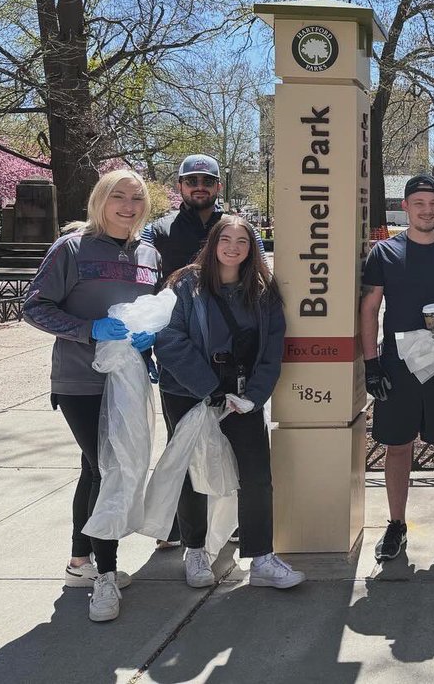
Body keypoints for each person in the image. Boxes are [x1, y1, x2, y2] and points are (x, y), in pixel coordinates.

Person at [22, 169, 161, 622]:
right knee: (110, 468)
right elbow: (34, 306)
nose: (127, 205)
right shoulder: (72, 248)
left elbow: (151, 309)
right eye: (117, 196)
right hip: (81, 382)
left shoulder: (149, 254)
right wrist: (87, 330)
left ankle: (79, 563)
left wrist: (149, 339)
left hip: (129, 380)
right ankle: (106, 574)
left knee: (95, 467)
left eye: (136, 198)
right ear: (100, 202)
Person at [155, 215, 304, 589]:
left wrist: (254, 397)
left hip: (240, 396)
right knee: (191, 473)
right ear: (213, 243)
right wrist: (208, 387)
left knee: (256, 475)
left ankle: (261, 557)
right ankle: (194, 550)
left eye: (243, 241)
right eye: (226, 239)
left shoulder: (263, 292)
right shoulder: (185, 285)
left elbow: (272, 351)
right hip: (188, 392)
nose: (233, 247)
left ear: (253, 248)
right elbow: (169, 339)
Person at [142, 153, 264, 549]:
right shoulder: (155, 233)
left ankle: (235, 523)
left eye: (206, 181)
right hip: (182, 356)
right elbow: (142, 284)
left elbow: (259, 275)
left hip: (232, 356)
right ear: (178, 186)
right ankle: (182, 529)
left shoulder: (238, 228)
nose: (199, 187)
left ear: (218, 187)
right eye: (190, 180)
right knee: (183, 445)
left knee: (236, 444)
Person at [360, 174, 434, 561]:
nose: (427, 210)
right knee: (398, 446)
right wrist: (371, 364)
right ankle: (395, 524)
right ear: (406, 208)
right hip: (398, 365)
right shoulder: (384, 253)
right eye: (419, 204)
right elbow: (369, 309)